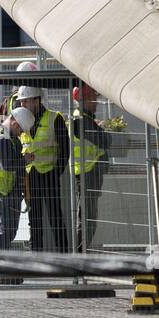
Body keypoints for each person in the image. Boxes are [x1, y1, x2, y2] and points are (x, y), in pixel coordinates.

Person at [16, 84, 70, 252]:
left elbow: (65, 149)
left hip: (49, 175)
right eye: (21, 102)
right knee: (34, 218)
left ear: (36, 100)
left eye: (25, 101)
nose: (22, 105)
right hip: (31, 176)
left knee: (55, 217)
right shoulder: (21, 119)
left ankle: (63, 257)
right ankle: (36, 257)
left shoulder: (54, 118)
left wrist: (56, 172)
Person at [0, 106, 35, 267]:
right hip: (4, 191)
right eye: (20, 129)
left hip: (8, 189)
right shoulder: (1, 139)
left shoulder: (6, 136)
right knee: (5, 230)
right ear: (14, 122)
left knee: (8, 230)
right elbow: (7, 164)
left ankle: (0, 265)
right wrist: (25, 160)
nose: (21, 133)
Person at [69, 85, 109, 251]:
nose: (96, 102)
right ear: (83, 100)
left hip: (89, 172)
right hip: (87, 173)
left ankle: (81, 254)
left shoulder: (85, 118)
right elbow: (103, 141)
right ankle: (79, 256)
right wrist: (104, 130)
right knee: (87, 219)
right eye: (93, 98)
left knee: (88, 219)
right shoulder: (81, 120)